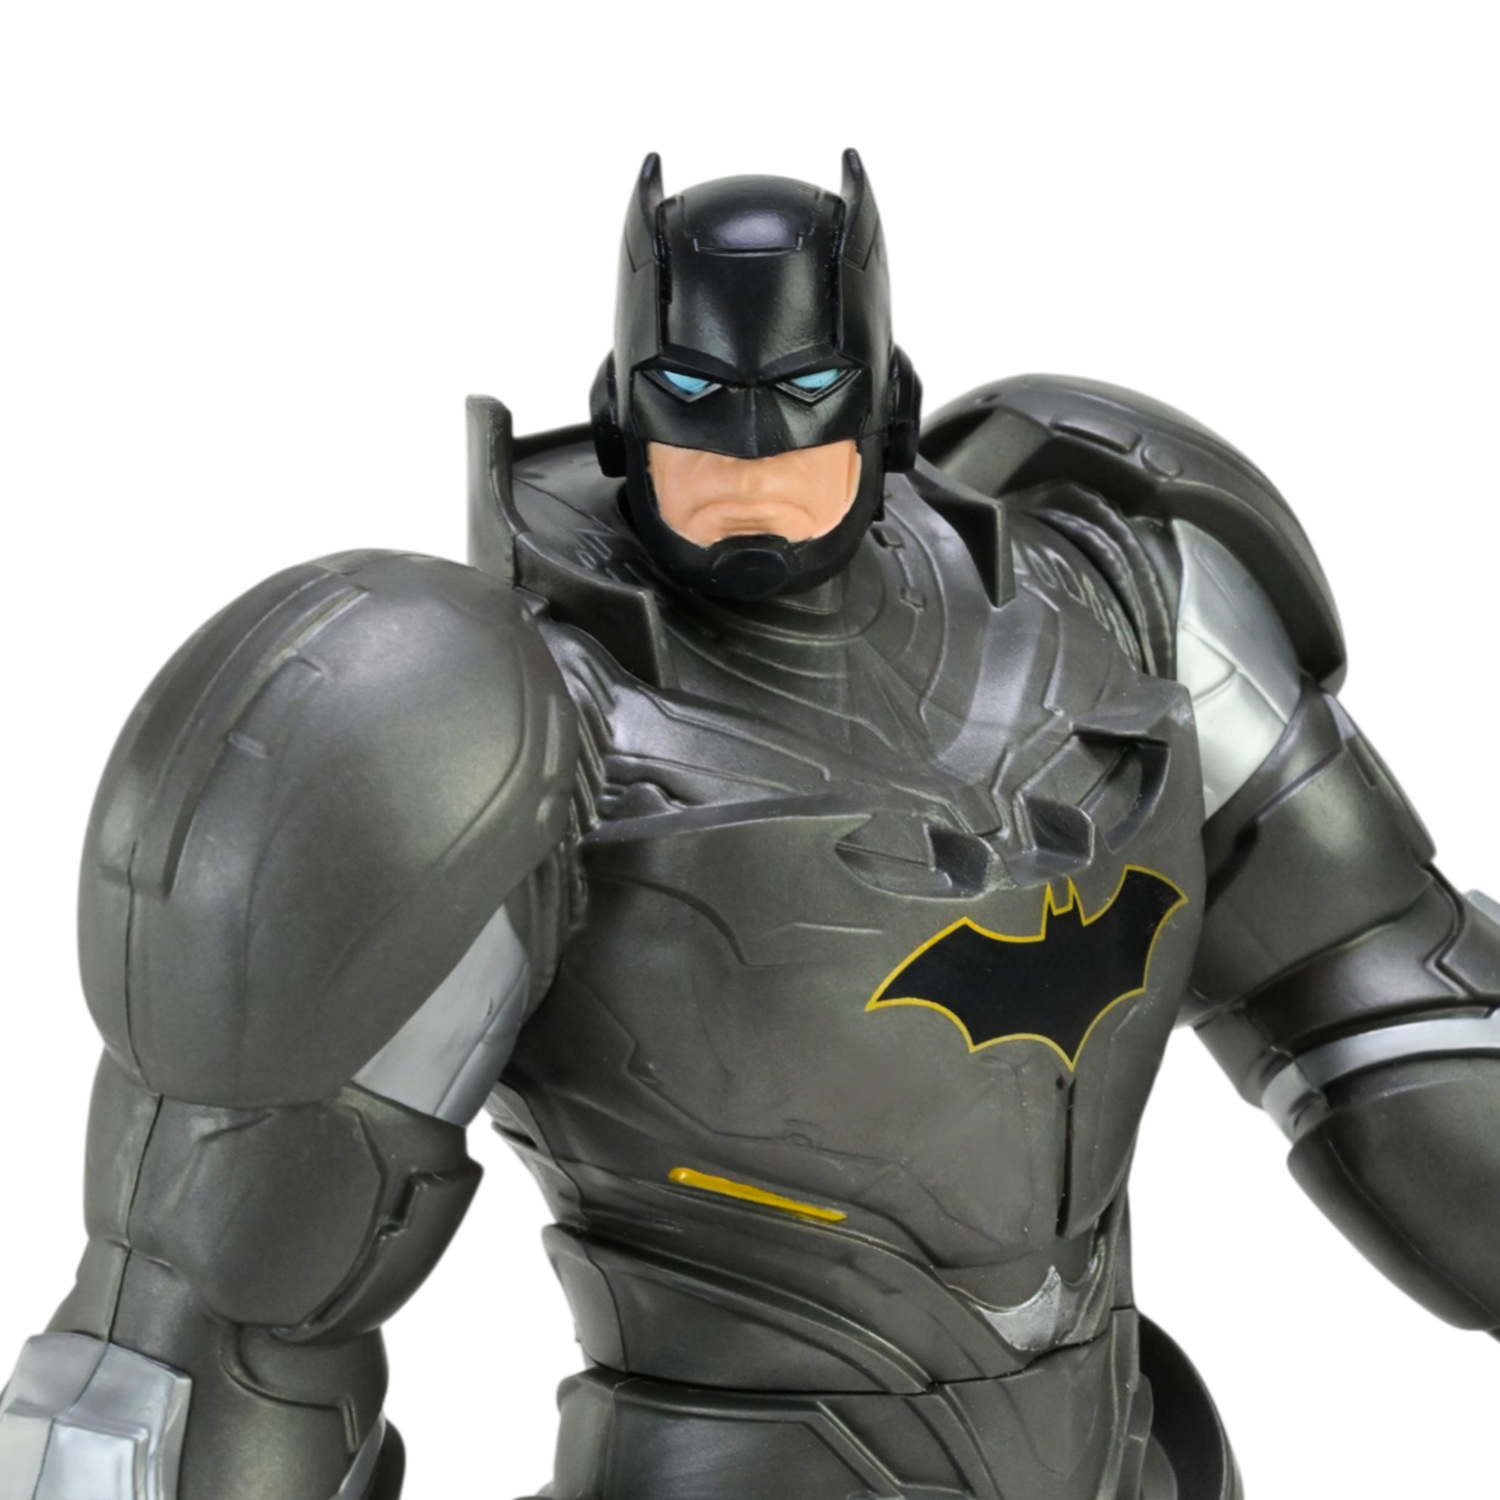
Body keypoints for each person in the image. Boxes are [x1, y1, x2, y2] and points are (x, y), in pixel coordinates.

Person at [1, 152, 1495, 1500]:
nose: (753, 467)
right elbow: (208, 1317)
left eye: (803, 407)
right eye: (699, 410)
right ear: (623, 409)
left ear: (882, 403)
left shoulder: (1104, 584)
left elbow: (1383, 985)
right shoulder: (479, 717)